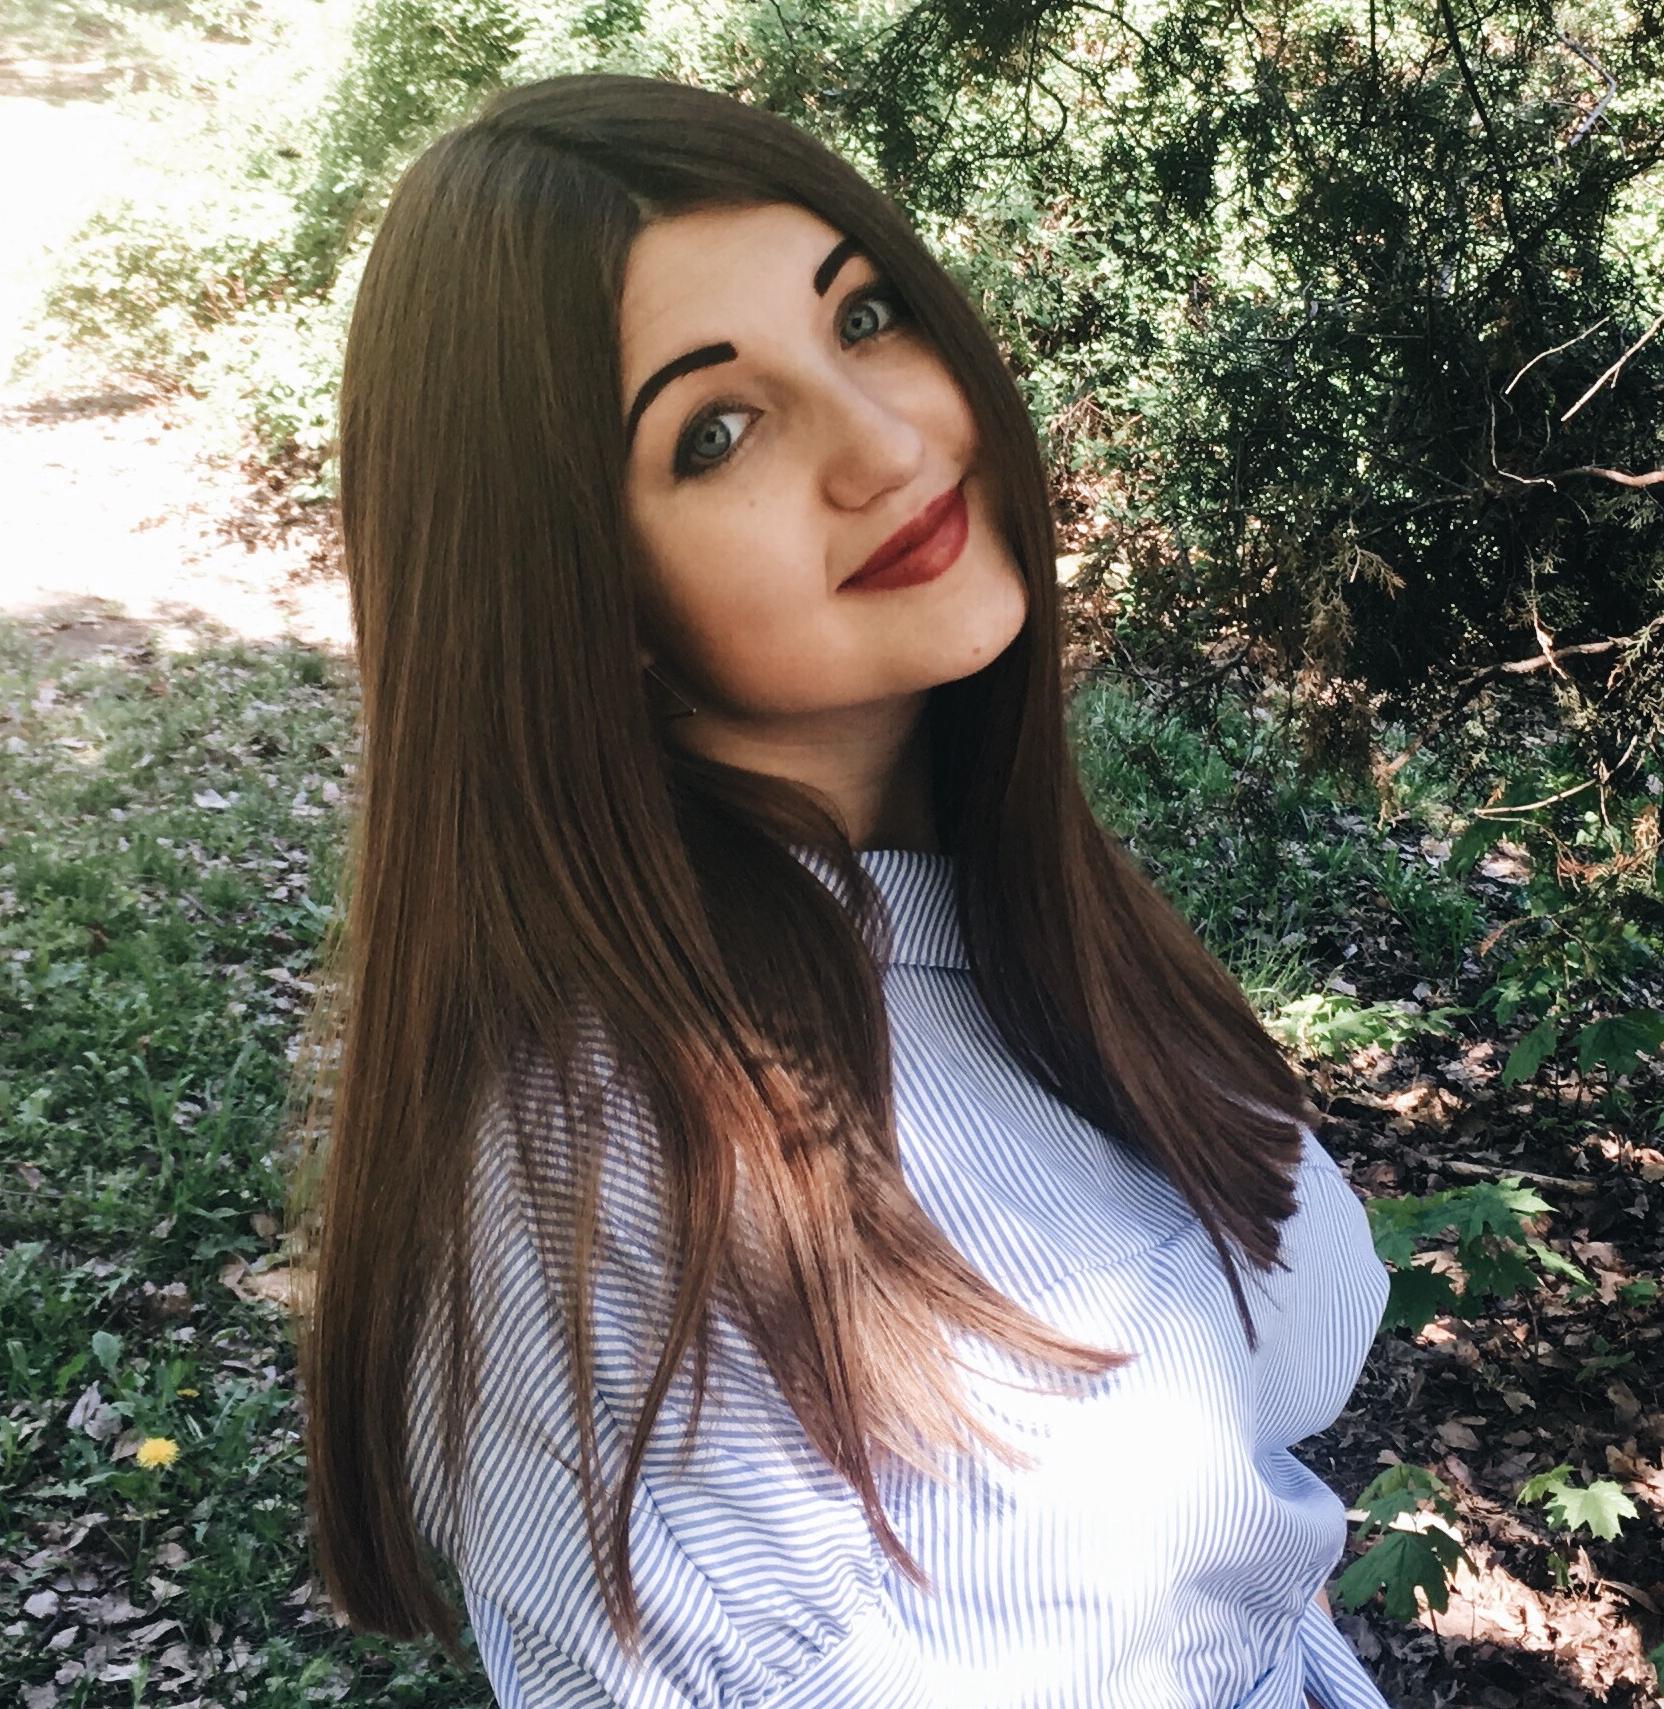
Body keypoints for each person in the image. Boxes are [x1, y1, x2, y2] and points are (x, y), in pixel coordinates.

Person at [293, 71, 1394, 1709]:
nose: (885, 446)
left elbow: (1288, 1361)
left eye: (865, 316)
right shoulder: (613, 1164)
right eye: (715, 431)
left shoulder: (1004, 906)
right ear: (575, 590)